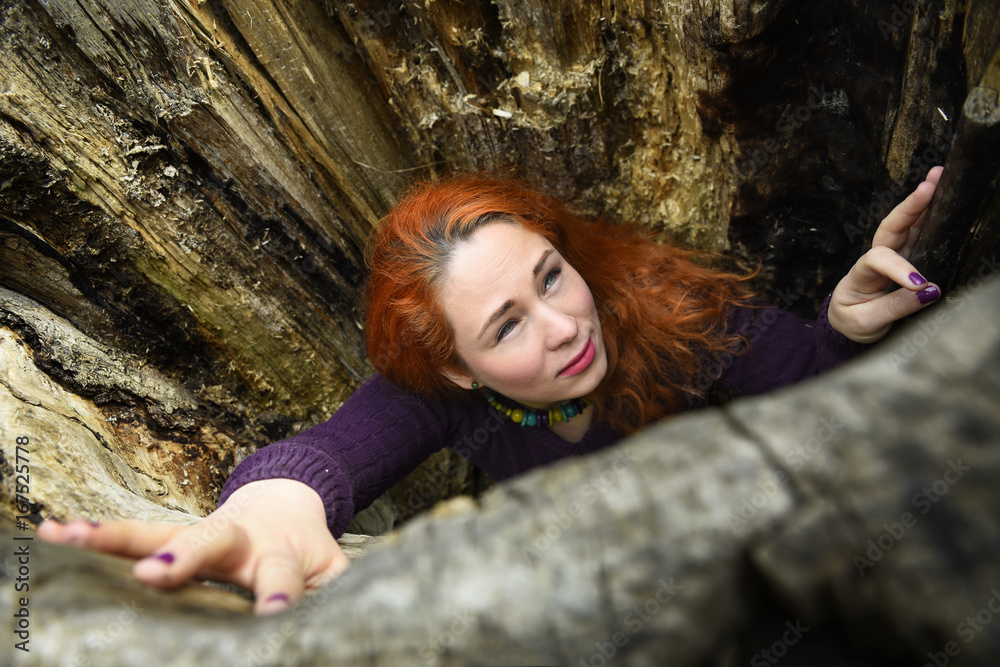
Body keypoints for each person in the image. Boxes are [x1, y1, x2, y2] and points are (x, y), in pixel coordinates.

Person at [39, 167, 944, 614]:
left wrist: (840, 329)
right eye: (506, 325)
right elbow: (328, 453)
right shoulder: (448, 395)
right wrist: (270, 506)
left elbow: (825, 406)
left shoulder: (666, 312)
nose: (563, 325)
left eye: (551, 276)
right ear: (460, 369)